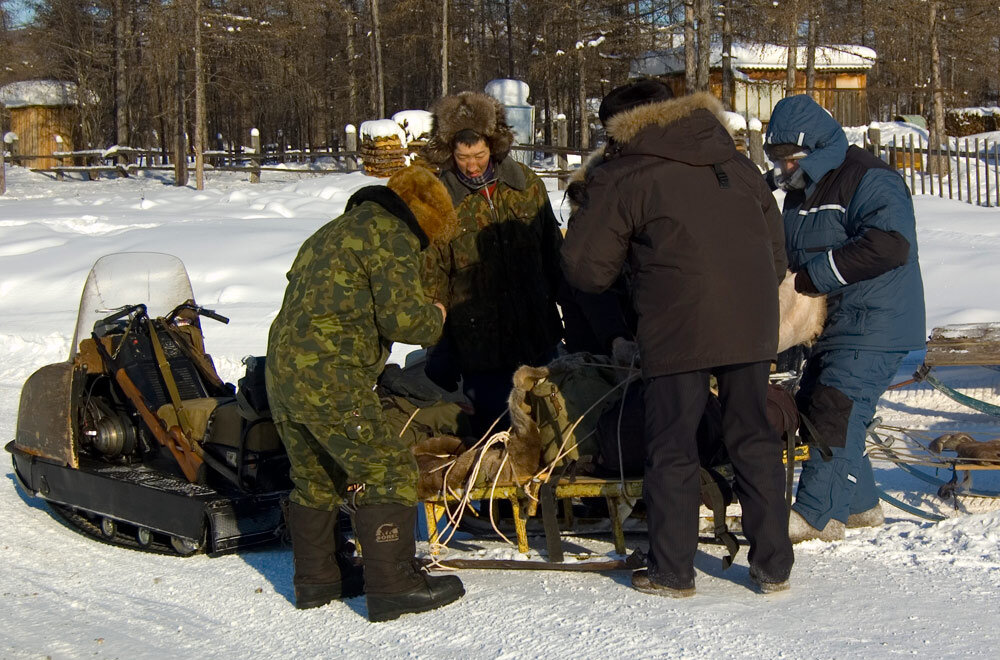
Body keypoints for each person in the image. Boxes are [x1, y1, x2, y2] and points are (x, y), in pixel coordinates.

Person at [561, 80, 794, 595]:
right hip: (751, 321)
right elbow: (777, 254)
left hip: (677, 322)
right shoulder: (733, 163)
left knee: (672, 445)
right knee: (752, 437)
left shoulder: (626, 173)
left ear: (620, 128)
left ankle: (673, 568)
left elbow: (586, 271)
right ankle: (773, 564)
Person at [265, 164, 465, 621]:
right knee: (389, 469)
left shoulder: (330, 232)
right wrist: (435, 313)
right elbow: (404, 321)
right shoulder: (391, 235)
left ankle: (320, 579)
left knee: (316, 476)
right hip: (331, 374)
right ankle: (395, 585)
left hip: (282, 371)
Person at [764, 95, 925, 543]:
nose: (783, 167)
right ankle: (861, 507)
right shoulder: (802, 192)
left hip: (875, 320)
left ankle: (815, 517)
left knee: (838, 409)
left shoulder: (869, 178)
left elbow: (891, 244)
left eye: (788, 157)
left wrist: (812, 277)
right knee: (821, 405)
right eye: (776, 158)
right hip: (833, 324)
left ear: (813, 149)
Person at [420, 91, 565, 436]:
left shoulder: (527, 184)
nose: (472, 165)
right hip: (479, 350)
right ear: (449, 153)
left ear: (495, 147)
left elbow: (552, 252)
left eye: (479, 155)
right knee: (494, 440)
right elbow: (432, 277)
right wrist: (438, 344)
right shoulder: (440, 202)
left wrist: (570, 308)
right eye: (462, 156)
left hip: (538, 337)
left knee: (551, 432)